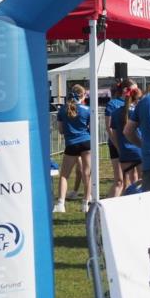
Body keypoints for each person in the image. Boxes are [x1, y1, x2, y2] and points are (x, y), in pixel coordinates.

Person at [54, 84, 92, 213]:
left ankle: (60, 204)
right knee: (87, 174)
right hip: (86, 142)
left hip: (71, 144)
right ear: (82, 95)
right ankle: (86, 203)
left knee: (64, 175)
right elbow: (91, 128)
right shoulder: (87, 110)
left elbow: (60, 130)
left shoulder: (63, 110)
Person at [111, 82, 143, 190]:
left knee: (127, 184)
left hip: (125, 151)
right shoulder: (139, 111)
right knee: (143, 182)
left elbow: (114, 134)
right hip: (140, 149)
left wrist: (119, 148)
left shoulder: (115, 112)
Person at [105, 82, 125, 198]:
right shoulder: (113, 104)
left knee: (134, 179)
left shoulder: (136, 103)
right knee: (119, 180)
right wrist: (118, 145)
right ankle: (105, 208)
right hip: (116, 145)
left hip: (131, 146)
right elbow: (109, 127)